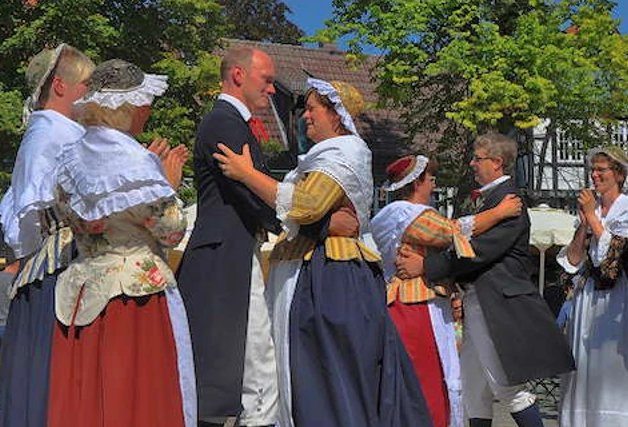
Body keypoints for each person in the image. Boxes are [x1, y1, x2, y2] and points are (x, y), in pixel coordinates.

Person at [214, 77, 431, 426]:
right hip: (314, 269)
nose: (306, 117)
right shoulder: (324, 156)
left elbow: (304, 205)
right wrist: (323, 224)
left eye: (313, 109)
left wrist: (246, 174)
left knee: (326, 374)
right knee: (314, 374)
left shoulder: (343, 152)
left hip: (329, 278)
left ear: (336, 115)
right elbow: (307, 214)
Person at [46, 59, 192, 426]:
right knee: (136, 397)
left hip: (80, 294)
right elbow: (171, 230)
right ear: (128, 106)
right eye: (144, 102)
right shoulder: (137, 162)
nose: (148, 109)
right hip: (132, 299)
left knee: (87, 398)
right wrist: (168, 185)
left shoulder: (67, 161)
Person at [395, 132, 575, 427]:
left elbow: (478, 252)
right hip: (478, 301)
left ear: (497, 162)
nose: (471, 163)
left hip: (496, 304)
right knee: (473, 388)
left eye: (477, 159)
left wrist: (425, 266)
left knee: (507, 387)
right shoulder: (492, 200)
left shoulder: (509, 200)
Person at [370, 154, 524, 427]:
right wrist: (498, 213)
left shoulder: (400, 214)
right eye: (430, 180)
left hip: (423, 303)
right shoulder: (403, 213)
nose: (433, 185)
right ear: (416, 182)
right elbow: (448, 231)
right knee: (428, 378)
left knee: (438, 376)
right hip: (416, 304)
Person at [175, 46, 283, 427]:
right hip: (225, 252)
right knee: (252, 354)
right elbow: (247, 192)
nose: (271, 90)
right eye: (266, 80)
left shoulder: (228, 121)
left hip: (230, 247)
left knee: (245, 355)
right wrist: (298, 217)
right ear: (238, 75)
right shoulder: (225, 122)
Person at [0, 44, 95, 427]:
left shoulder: (56, 131)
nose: (90, 93)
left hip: (56, 263)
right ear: (60, 85)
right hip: (53, 266)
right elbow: (30, 213)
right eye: (85, 84)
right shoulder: (51, 134)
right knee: (48, 365)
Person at [556, 146, 628, 426]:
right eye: (592, 170)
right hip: (587, 298)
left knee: (611, 365)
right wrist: (583, 224)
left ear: (618, 174)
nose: (594, 175)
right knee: (582, 367)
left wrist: (594, 217)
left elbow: (612, 257)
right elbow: (573, 260)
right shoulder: (590, 210)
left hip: (616, 297)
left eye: (600, 170)